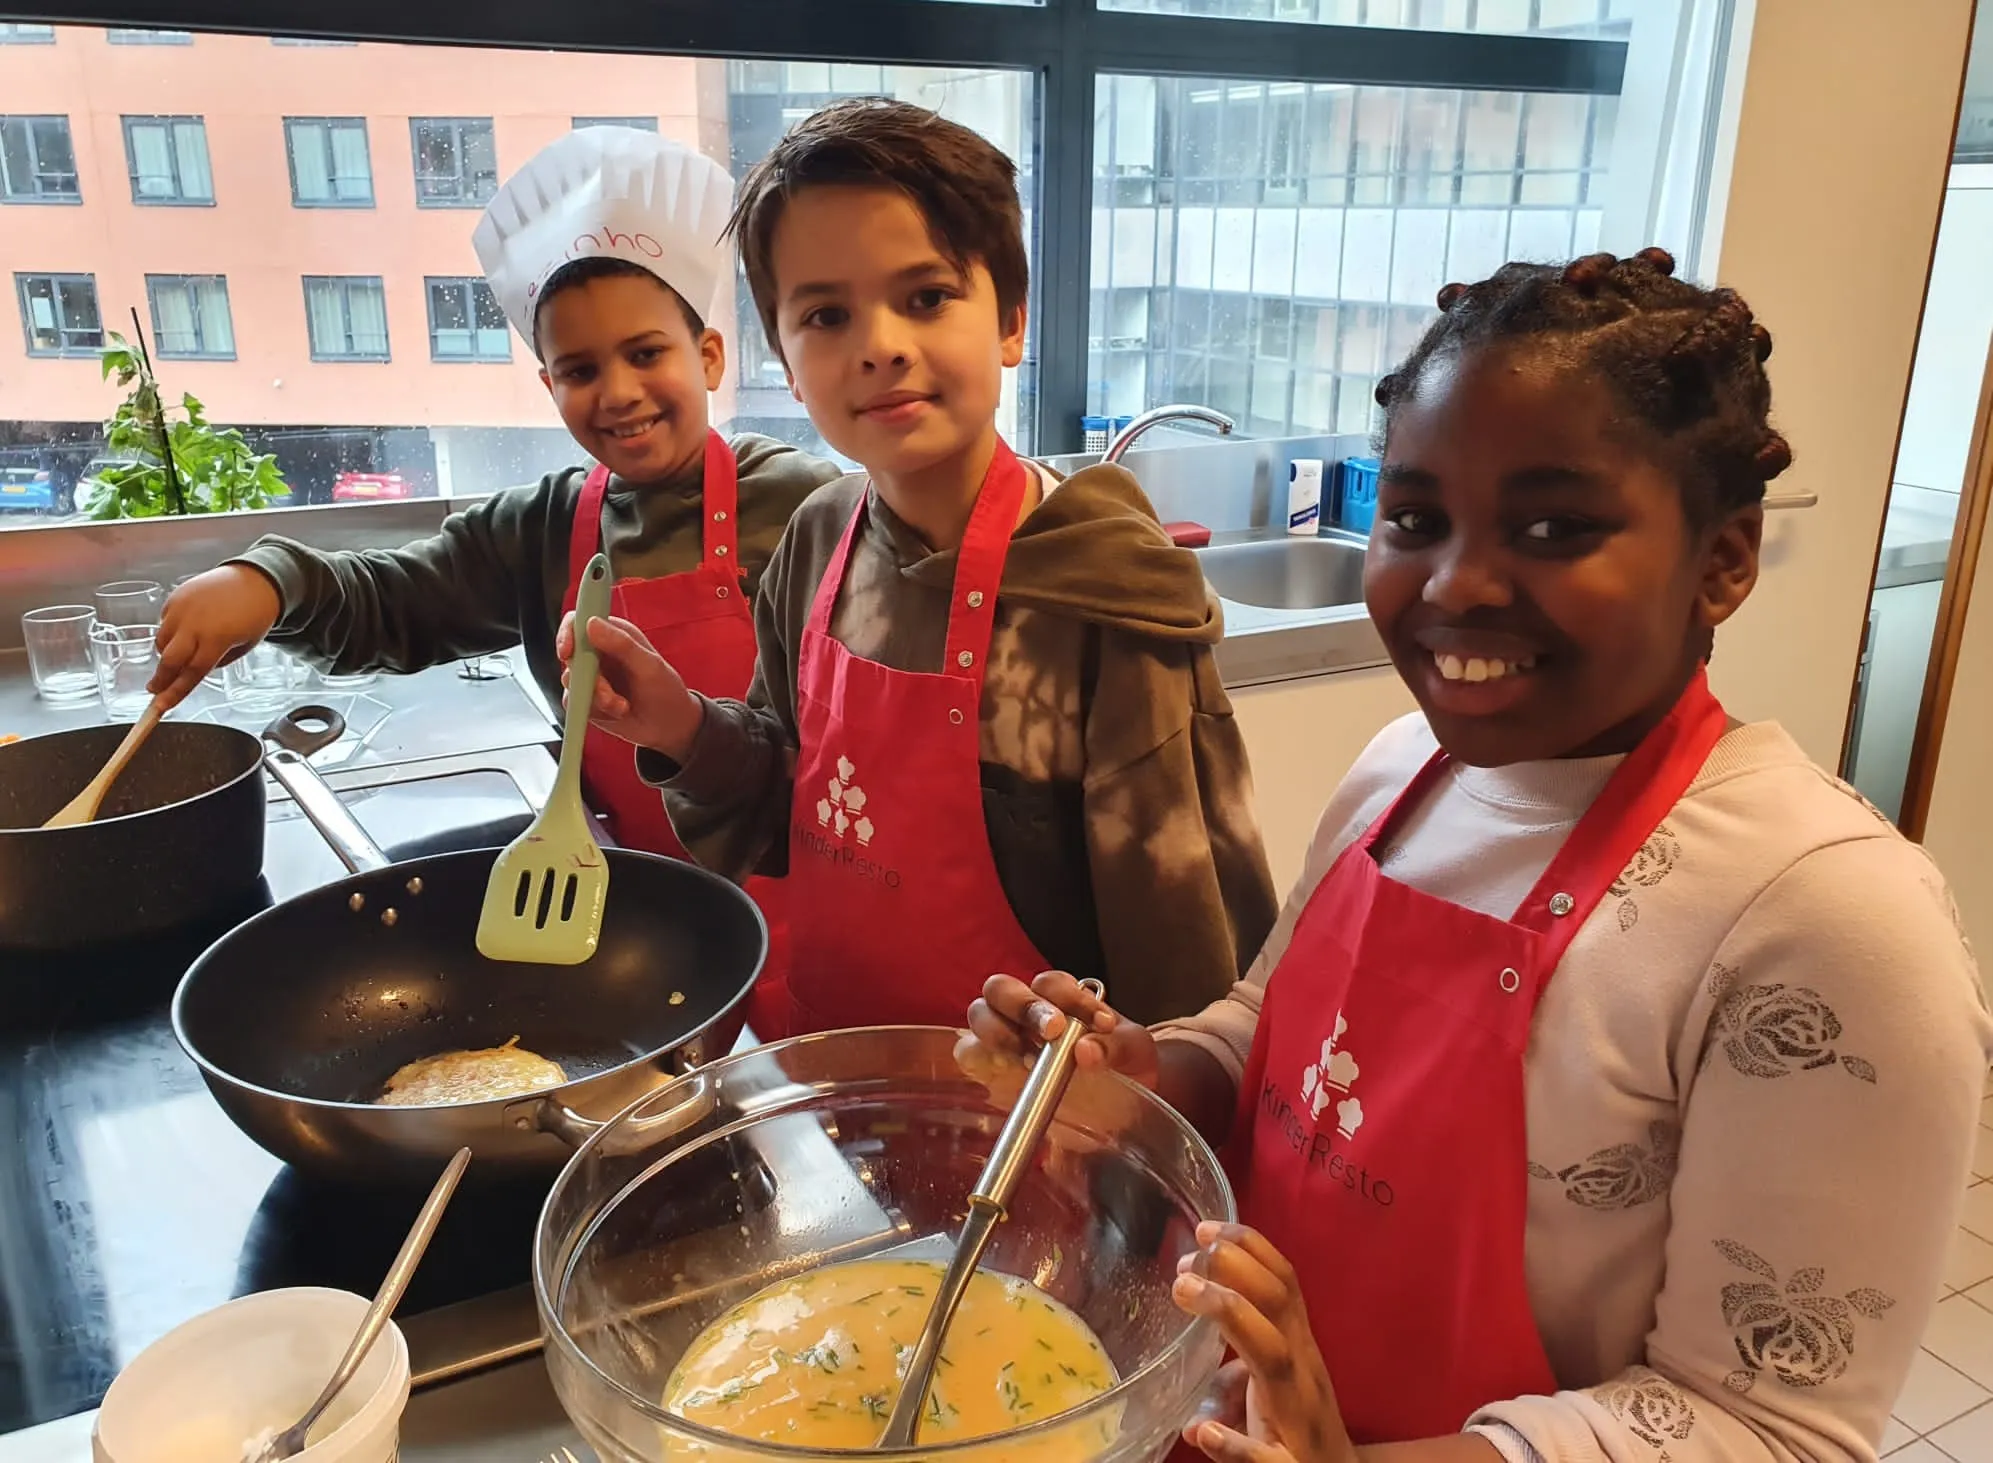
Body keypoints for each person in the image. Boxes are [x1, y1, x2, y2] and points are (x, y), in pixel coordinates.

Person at [963, 250, 1993, 1463]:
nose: (1456, 583)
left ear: (1724, 559)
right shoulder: (1406, 766)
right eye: (1414, 518)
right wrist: (1142, 1073)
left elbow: (1770, 1429)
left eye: (1554, 526)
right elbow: (1270, 1031)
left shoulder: (1821, 916)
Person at [559, 98, 1278, 1036]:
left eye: (927, 297)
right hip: (844, 1074)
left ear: (1011, 321)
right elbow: (786, 790)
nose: (881, 344)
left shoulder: (1106, 601)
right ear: (783, 355)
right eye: (825, 313)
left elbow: (1179, 932)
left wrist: (1145, 1107)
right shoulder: (819, 541)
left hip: (1037, 1125)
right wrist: (683, 725)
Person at [149, 127, 841, 1034]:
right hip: (637, 922)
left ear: (707, 355)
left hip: (803, 902)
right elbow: (396, 601)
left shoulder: (799, 501)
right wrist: (271, 581)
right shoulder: (543, 526)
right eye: (580, 369)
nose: (619, 391)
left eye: (646, 353)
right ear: (548, 384)